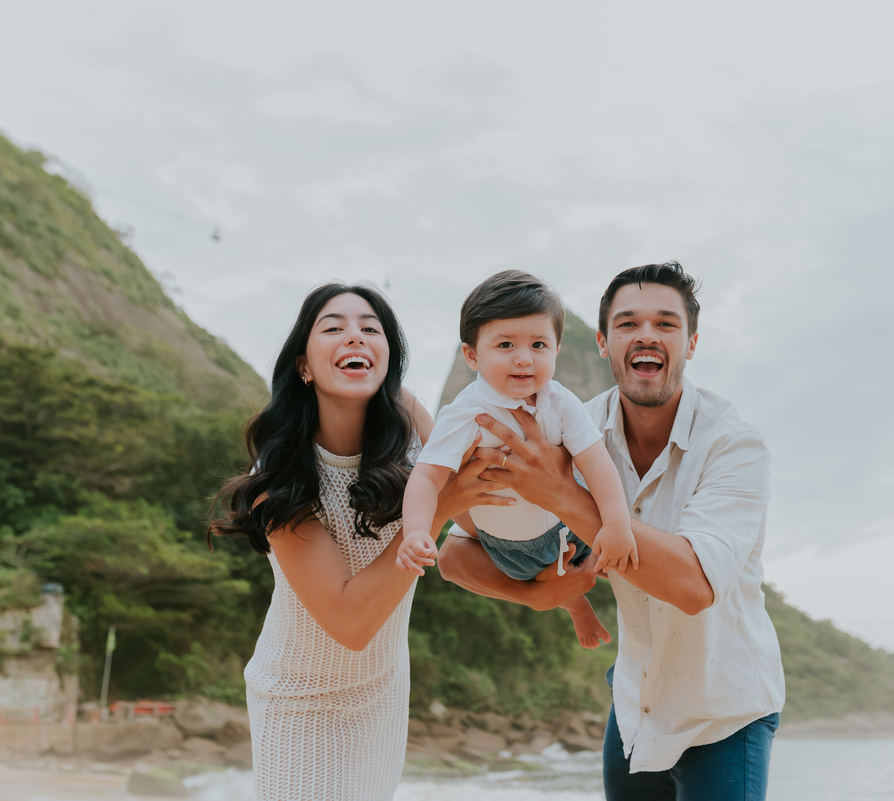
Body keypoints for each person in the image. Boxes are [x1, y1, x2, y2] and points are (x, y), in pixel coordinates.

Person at [437, 263, 785, 801]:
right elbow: (456, 554)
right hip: (634, 703)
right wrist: (533, 593)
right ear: (603, 342)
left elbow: (694, 587)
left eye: (666, 324)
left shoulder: (733, 445)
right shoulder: (561, 422)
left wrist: (559, 494)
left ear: (691, 344)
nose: (646, 334)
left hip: (723, 711)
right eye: (628, 324)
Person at [209, 283, 502, 801]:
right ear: (304, 365)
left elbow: (475, 523)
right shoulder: (277, 478)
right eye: (334, 327)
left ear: (387, 356)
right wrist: (440, 507)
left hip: (381, 692)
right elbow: (349, 622)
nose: (356, 337)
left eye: (371, 329)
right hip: (296, 700)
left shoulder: (411, 426)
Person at [396, 270, 638, 648]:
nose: (524, 359)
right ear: (472, 355)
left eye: (538, 345)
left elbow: (596, 463)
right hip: (509, 550)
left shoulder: (559, 402)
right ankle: (577, 608)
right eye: (506, 344)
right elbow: (426, 477)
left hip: (572, 524)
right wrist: (415, 531)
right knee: (551, 579)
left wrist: (617, 524)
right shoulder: (465, 413)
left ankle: (617, 612)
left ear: (557, 350)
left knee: (625, 556)